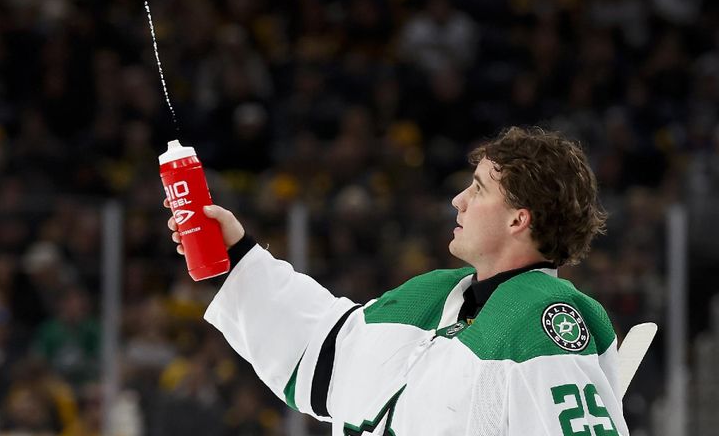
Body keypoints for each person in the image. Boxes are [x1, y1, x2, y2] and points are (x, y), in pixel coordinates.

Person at [165, 126, 628, 435]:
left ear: (518, 220)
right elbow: (326, 348)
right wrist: (236, 254)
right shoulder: (433, 298)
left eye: (480, 189)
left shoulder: (544, 319)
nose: (458, 200)